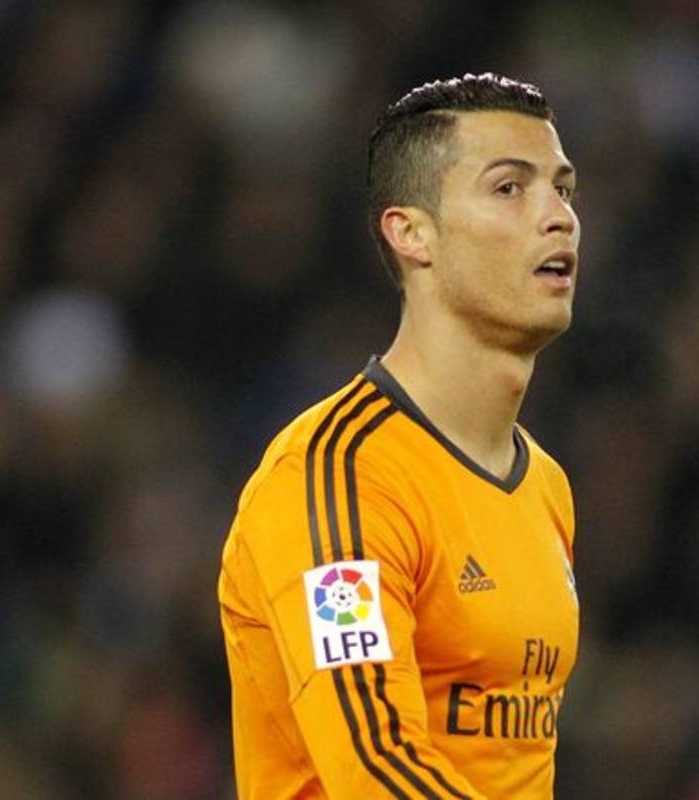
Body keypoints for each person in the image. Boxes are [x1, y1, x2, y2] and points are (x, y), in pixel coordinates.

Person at [218, 73, 582, 799]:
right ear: (411, 233)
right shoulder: (335, 478)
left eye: (564, 190)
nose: (559, 217)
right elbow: (377, 767)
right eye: (510, 188)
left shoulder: (545, 485)